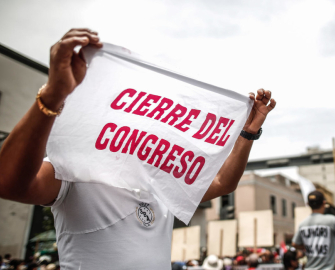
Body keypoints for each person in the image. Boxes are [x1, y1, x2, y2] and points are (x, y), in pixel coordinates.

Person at [0, 29, 276, 269]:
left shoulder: (163, 181)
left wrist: (248, 133)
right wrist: (53, 94)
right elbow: (8, 183)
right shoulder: (74, 167)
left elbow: (222, 182)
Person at [292, 190, 335, 269]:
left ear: (308, 204)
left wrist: (309, 245)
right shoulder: (330, 221)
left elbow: (295, 244)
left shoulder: (303, 224)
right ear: (324, 203)